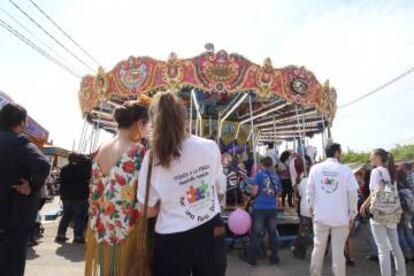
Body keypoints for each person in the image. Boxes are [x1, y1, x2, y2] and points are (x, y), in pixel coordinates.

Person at [137, 91, 227, 276]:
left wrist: (172, 199)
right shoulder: (209, 147)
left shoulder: (152, 157)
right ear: (183, 117)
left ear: (153, 122)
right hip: (211, 230)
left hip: (171, 238)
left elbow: (148, 210)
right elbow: (219, 189)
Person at [84, 98, 150, 276]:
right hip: (128, 229)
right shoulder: (139, 152)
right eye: (147, 125)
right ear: (139, 123)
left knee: (107, 271)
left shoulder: (101, 149)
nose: (148, 130)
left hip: (100, 227)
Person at [0, 103, 50, 276]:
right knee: (11, 264)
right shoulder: (18, 142)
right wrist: (31, 185)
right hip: (12, 215)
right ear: (21, 123)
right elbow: (43, 164)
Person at [307, 143, 358, 276]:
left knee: (318, 248)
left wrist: (311, 207)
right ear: (337, 153)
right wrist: (353, 214)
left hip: (320, 216)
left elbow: (309, 190)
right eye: (340, 152)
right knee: (338, 252)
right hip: (341, 218)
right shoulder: (346, 170)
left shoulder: (315, 169)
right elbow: (353, 193)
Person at [360, 149, 406, 276]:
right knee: (395, 246)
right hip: (392, 212)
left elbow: (374, 192)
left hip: (379, 213)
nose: (370, 157)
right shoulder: (392, 172)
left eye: (371, 155)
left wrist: (365, 204)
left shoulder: (376, 172)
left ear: (378, 157)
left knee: (382, 249)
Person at [240, 157, 282, 265]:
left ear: (262, 164)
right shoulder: (276, 176)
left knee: (256, 234)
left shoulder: (259, 174)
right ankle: (274, 258)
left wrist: (252, 195)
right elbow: (278, 193)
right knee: (272, 234)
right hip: (272, 208)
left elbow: (254, 192)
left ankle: (252, 259)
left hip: (259, 208)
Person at [55, 153, 90, 244]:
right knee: (79, 216)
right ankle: (78, 236)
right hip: (80, 197)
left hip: (66, 197)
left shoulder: (64, 169)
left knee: (66, 215)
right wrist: (86, 159)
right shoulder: (83, 169)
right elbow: (88, 169)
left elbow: (61, 182)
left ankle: (60, 235)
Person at [292, 156, 313, 259]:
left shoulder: (304, 181)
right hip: (316, 211)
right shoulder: (318, 182)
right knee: (320, 233)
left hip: (305, 209)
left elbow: (299, 194)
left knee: (303, 232)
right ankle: (322, 252)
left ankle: (300, 253)